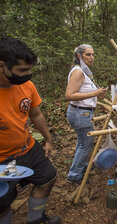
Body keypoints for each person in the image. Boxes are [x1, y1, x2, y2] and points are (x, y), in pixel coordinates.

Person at [0, 37, 61, 224]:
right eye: (23, 70)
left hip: (27, 148)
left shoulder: (26, 85)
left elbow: (35, 114)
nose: (28, 74)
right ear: (2, 66)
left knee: (48, 178)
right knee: (2, 202)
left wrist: (48, 139)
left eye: (29, 69)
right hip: (3, 160)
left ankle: (35, 219)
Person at [65, 44, 107, 185]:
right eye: (88, 55)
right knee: (86, 143)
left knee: (82, 142)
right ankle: (74, 174)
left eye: (93, 54)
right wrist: (95, 93)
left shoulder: (84, 71)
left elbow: (84, 91)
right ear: (79, 56)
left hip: (82, 112)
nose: (91, 57)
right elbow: (69, 95)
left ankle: (80, 167)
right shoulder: (78, 71)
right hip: (79, 113)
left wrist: (97, 94)